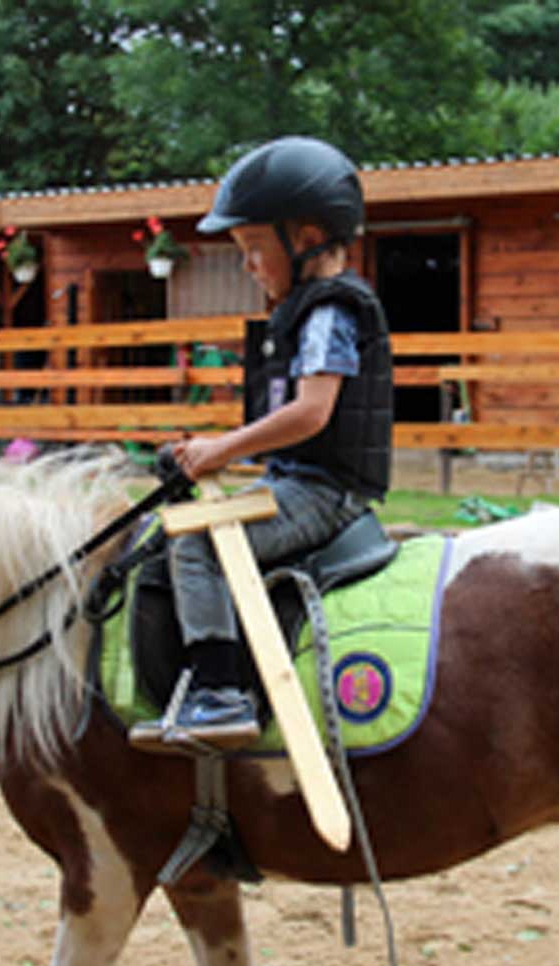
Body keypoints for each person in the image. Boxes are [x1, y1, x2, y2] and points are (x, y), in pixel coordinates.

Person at [131, 136, 394, 753]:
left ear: (305, 239)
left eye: (253, 247)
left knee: (198, 544)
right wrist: (209, 449)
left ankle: (221, 693)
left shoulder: (330, 313)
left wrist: (222, 449)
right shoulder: (305, 310)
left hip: (324, 493)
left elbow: (310, 413)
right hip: (297, 481)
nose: (247, 264)